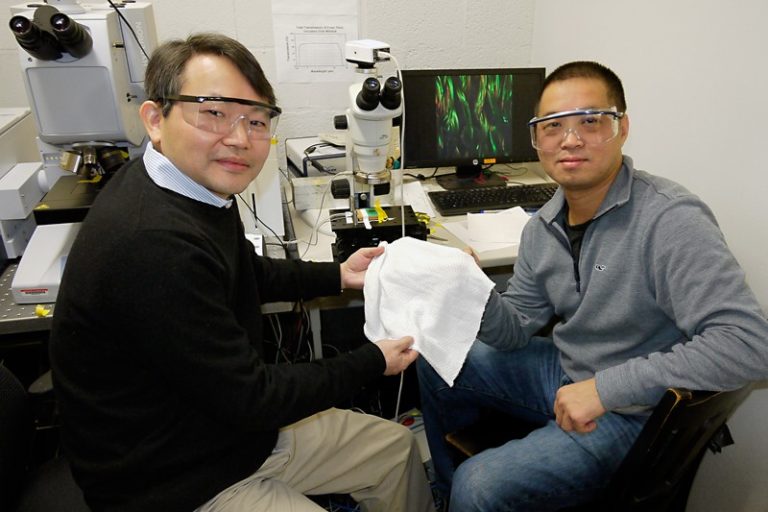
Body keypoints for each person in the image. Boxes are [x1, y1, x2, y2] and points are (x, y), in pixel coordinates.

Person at [49, 33, 435, 512]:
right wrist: (373, 361)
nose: (238, 138)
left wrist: (338, 275)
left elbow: (243, 269)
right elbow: (255, 397)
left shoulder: (189, 186)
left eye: (256, 121)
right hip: (171, 477)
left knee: (393, 450)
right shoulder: (150, 242)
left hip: (230, 432)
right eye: (212, 112)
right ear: (155, 119)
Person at [418, 61, 768, 511]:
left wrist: (605, 389)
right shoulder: (543, 226)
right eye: (553, 126)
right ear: (535, 139)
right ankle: (446, 495)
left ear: (622, 128)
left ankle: (465, 495)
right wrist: (475, 290)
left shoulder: (670, 219)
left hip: (638, 410)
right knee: (438, 357)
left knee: (480, 485)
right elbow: (514, 329)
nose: (570, 139)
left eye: (589, 121)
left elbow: (749, 344)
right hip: (569, 369)